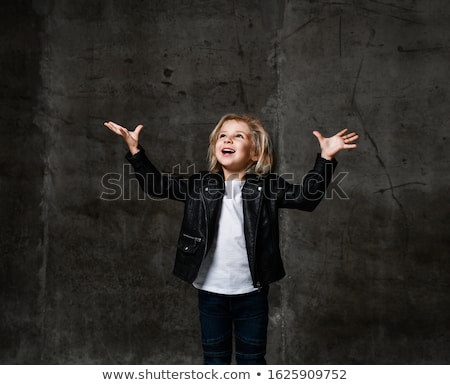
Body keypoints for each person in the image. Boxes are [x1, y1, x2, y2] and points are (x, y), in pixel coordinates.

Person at [104, 114, 358, 365]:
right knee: (215, 360)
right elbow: (156, 186)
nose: (228, 140)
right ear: (216, 148)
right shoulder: (199, 185)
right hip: (211, 293)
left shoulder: (267, 187)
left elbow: (306, 198)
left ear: (255, 153)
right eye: (223, 135)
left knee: (252, 361)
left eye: (239, 136)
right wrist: (136, 151)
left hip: (252, 292)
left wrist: (326, 159)